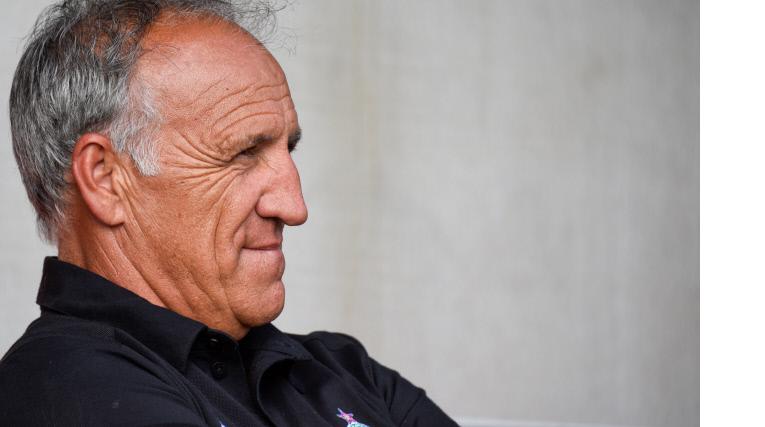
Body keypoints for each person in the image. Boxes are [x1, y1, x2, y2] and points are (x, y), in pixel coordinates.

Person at [0, 1, 458, 426]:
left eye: (288, 149)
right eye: (243, 153)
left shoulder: (348, 371)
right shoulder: (64, 389)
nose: (294, 207)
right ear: (105, 179)